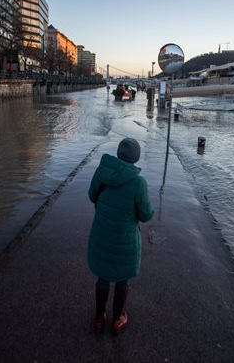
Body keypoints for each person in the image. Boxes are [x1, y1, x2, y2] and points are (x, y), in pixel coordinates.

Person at [87, 137, 154, 334]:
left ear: (118, 153)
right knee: (122, 278)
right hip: (124, 239)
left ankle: (99, 319)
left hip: (102, 232)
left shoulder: (102, 171)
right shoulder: (138, 182)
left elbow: (92, 195)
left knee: (103, 276)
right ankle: (117, 319)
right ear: (136, 158)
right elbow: (145, 215)